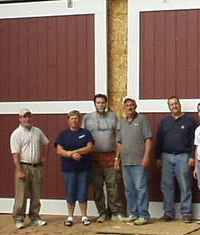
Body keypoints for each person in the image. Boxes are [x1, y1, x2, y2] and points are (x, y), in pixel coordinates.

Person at [83, 94, 127, 222]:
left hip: (110, 156)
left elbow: (119, 137)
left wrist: (117, 157)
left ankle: (115, 212)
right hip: (94, 157)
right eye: (98, 103)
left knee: (113, 186)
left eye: (103, 102)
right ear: (94, 104)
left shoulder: (112, 117)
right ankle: (102, 212)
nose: (101, 105)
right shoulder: (87, 118)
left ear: (106, 104)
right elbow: (83, 137)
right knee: (97, 187)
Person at [154, 96, 196, 222]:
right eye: (171, 104)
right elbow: (159, 140)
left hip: (183, 156)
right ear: (169, 107)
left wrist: (192, 156)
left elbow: (195, 140)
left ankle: (186, 213)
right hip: (166, 156)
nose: (174, 106)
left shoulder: (189, 121)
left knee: (185, 185)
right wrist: (157, 157)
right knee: (166, 185)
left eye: (176, 103)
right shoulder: (164, 122)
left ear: (180, 104)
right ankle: (168, 212)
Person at [115, 97, 153, 225]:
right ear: (124, 108)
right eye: (127, 106)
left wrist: (146, 156)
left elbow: (148, 139)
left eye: (132, 105)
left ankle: (144, 215)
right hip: (125, 162)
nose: (129, 107)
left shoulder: (143, 119)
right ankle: (133, 213)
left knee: (141, 188)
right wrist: (117, 159)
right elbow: (119, 142)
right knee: (129, 190)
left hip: (139, 162)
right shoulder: (122, 123)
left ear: (135, 106)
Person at [9, 108, 49, 229]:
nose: (27, 119)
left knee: (36, 194)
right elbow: (15, 154)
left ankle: (35, 217)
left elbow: (46, 143)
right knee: (21, 194)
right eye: (24, 117)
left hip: (36, 167)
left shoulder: (37, 131)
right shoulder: (16, 134)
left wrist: (43, 157)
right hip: (23, 166)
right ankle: (18, 219)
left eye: (28, 116)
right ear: (20, 118)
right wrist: (19, 170)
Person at [55, 110, 95, 227]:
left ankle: (84, 216)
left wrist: (74, 152)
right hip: (68, 170)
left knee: (83, 192)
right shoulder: (63, 135)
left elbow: (89, 148)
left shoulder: (86, 133)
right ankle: (70, 217)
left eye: (76, 118)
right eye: (72, 118)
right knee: (70, 192)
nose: (74, 121)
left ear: (80, 120)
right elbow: (59, 150)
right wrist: (70, 155)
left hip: (84, 169)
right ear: (68, 120)